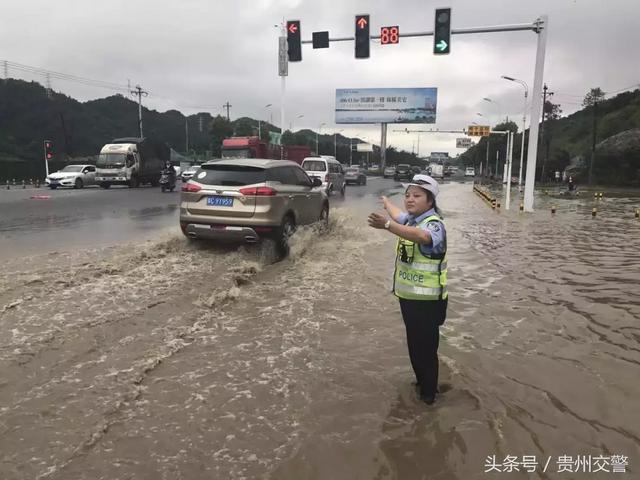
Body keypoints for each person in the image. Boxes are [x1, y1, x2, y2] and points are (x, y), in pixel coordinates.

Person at [368, 174, 448, 405]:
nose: (410, 200)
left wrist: (387, 225)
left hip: (428, 301)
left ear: (430, 201)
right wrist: (386, 202)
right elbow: (399, 215)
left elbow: (424, 237)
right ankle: (422, 384)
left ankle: (429, 399)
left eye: (417, 196)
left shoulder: (432, 224)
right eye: (407, 195)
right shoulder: (412, 219)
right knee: (414, 346)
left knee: (425, 350)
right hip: (410, 298)